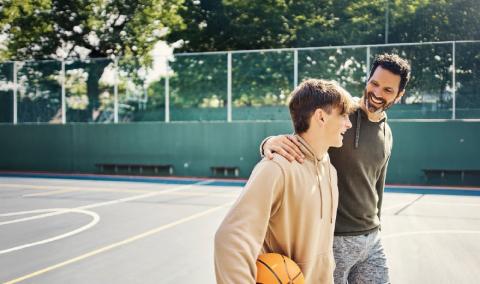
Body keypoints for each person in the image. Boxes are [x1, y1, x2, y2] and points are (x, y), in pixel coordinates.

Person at [261, 54, 411, 284]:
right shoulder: (341, 113)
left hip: (371, 240)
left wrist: (377, 226)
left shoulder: (387, 133)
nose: (378, 93)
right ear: (368, 79)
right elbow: (300, 139)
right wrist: (268, 142)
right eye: (374, 83)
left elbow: (377, 186)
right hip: (333, 241)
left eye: (388, 90)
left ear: (399, 95)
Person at [214, 79, 354, 283]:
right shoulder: (276, 168)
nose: (348, 123)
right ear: (321, 117)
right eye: (343, 115)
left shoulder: (330, 171)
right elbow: (230, 240)